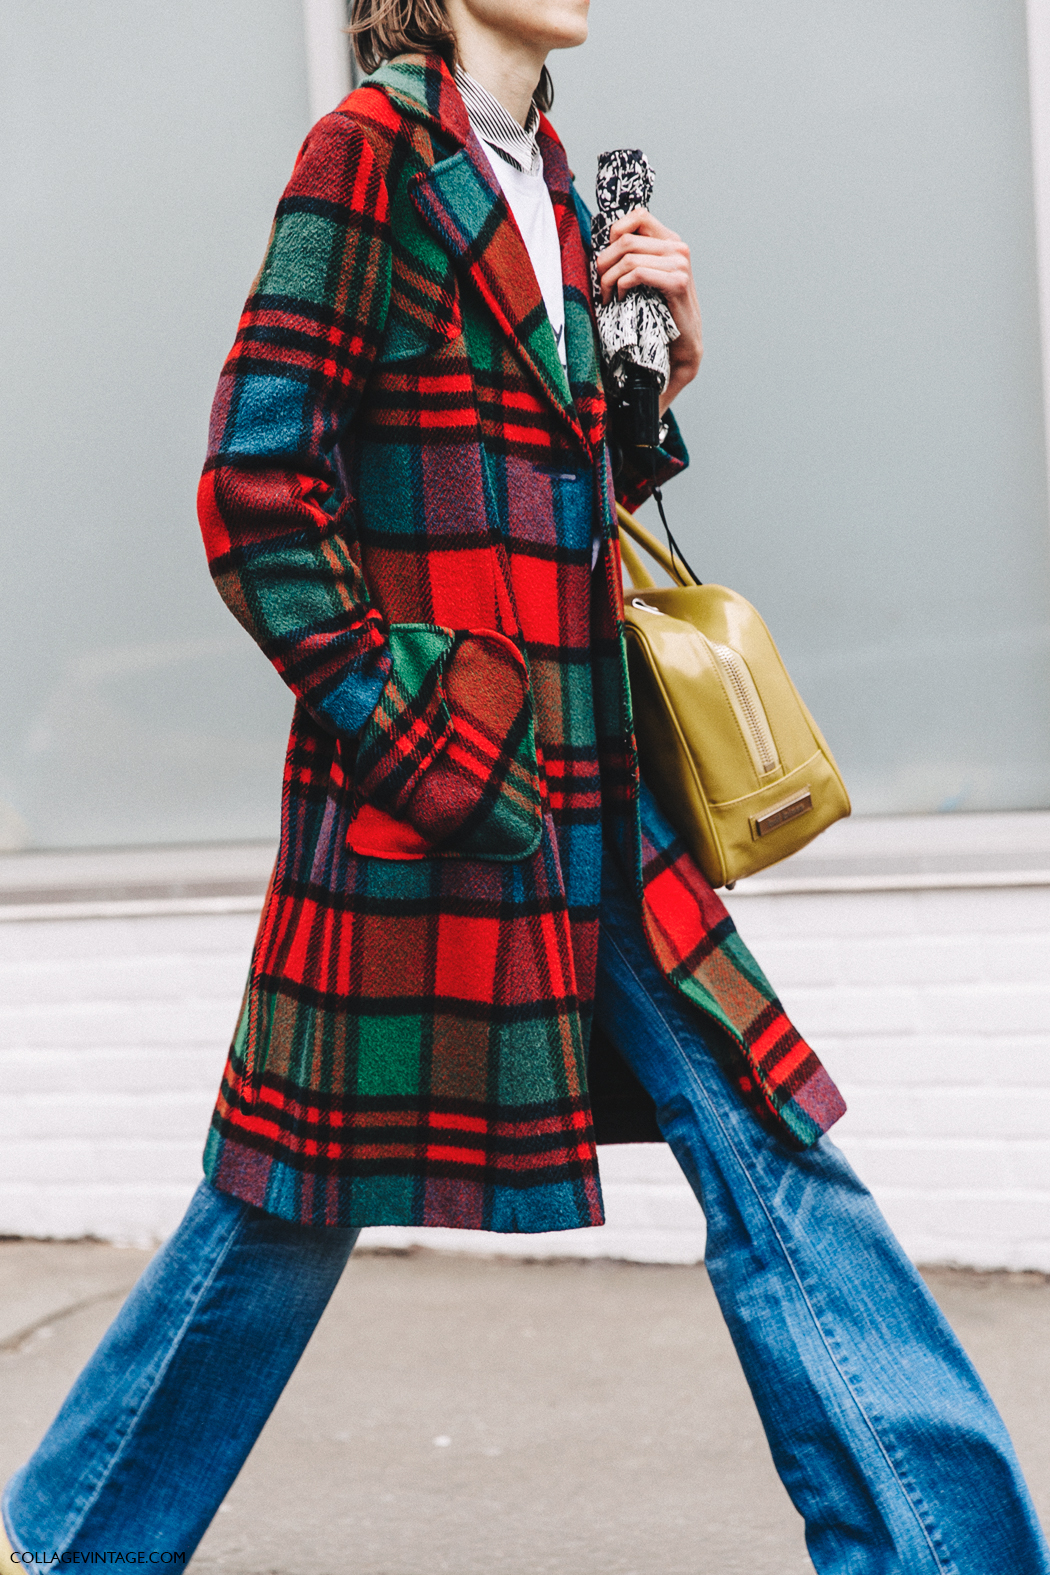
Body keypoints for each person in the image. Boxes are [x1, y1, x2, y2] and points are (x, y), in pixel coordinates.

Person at [4, 1, 1048, 1569]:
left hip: (595, 784)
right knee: (286, 1205)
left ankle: (946, 1552)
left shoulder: (557, 172)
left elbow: (564, 487)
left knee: (767, 1142)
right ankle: (72, 1540)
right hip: (445, 785)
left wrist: (659, 380)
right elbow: (255, 491)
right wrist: (417, 731)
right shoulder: (367, 155)